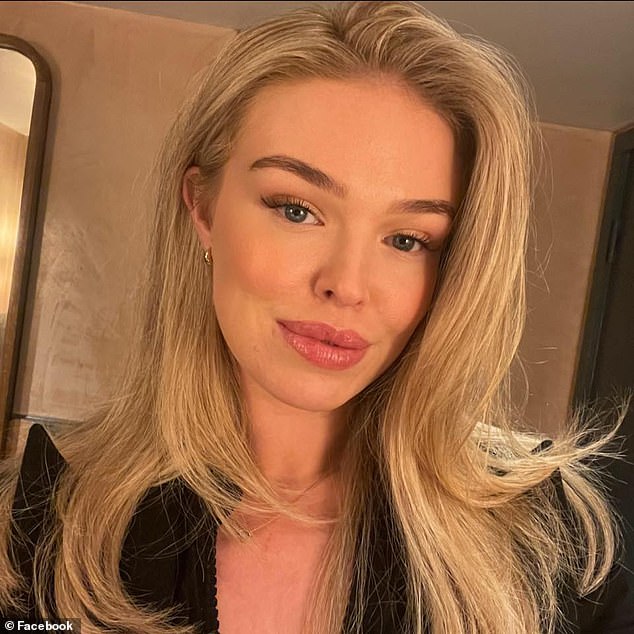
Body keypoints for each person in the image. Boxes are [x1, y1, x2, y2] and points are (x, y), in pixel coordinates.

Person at [1, 2, 632, 633]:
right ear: (203, 208)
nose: (347, 286)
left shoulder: (551, 538)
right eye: (297, 210)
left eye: (407, 239)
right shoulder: (41, 527)